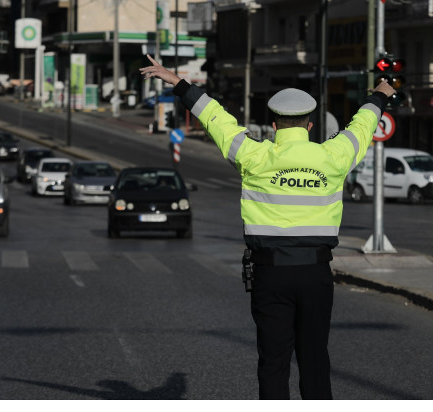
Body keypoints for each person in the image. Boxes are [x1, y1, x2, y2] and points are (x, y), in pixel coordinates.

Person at [140, 55, 395, 400]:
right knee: (315, 360)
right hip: (315, 274)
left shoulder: (253, 156)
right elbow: (363, 124)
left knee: (273, 362)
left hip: (270, 276)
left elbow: (215, 118)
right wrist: (379, 94)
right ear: (310, 126)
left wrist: (177, 81)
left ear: (274, 126)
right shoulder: (335, 157)